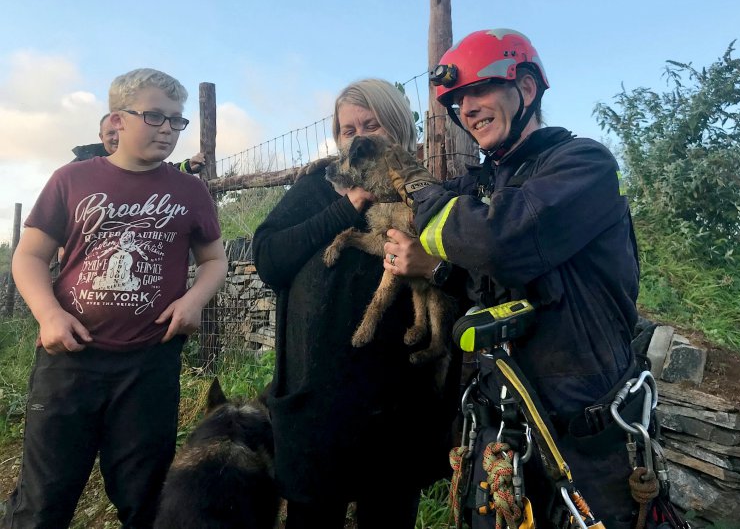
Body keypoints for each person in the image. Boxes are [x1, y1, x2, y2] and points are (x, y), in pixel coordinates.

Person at [386, 29, 642, 528]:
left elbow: (498, 243)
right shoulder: (485, 184)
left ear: (525, 88)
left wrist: (423, 194)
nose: (467, 108)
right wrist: (437, 268)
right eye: (459, 100)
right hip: (502, 429)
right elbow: (504, 294)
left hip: (580, 433)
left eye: (479, 91)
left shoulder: (582, 165)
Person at [3, 68, 228, 529]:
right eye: (154, 116)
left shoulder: (189, 190)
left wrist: (194, 302)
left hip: (150, 364)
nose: (167, 128)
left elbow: (215, 261)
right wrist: (48, 315)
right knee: (43, 500)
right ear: (117, 120)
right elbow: (28, 256)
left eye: (176, 120)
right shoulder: (72, 179)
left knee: (143, 497)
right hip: (68, 359)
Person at [251, 78, 461, 529]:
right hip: (319, 401)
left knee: (388, 514)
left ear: (401, 129)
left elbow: (459, 281)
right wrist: (346, 208)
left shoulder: (426, 195)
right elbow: (269, 259)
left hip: (397, 403)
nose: (360, 136)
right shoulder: (316, 189)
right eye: (348, 129)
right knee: (312, 516)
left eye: (372, 124)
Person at [71, 113, 207, 174]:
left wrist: (188, 166)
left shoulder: (141, 158)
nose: (117, 138)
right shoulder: (81, 163)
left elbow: (165, 171)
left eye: (121, 131)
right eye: (110, 133)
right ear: (101, 137)